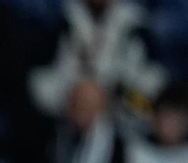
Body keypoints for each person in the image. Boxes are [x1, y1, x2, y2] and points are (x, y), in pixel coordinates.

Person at [30, 0, 166, 130]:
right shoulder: (62, 20)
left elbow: (152, 87)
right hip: (67, 116)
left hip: (119, 117)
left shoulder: (135, 25)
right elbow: (40, 84)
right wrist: (75, 95)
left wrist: (112, 94)